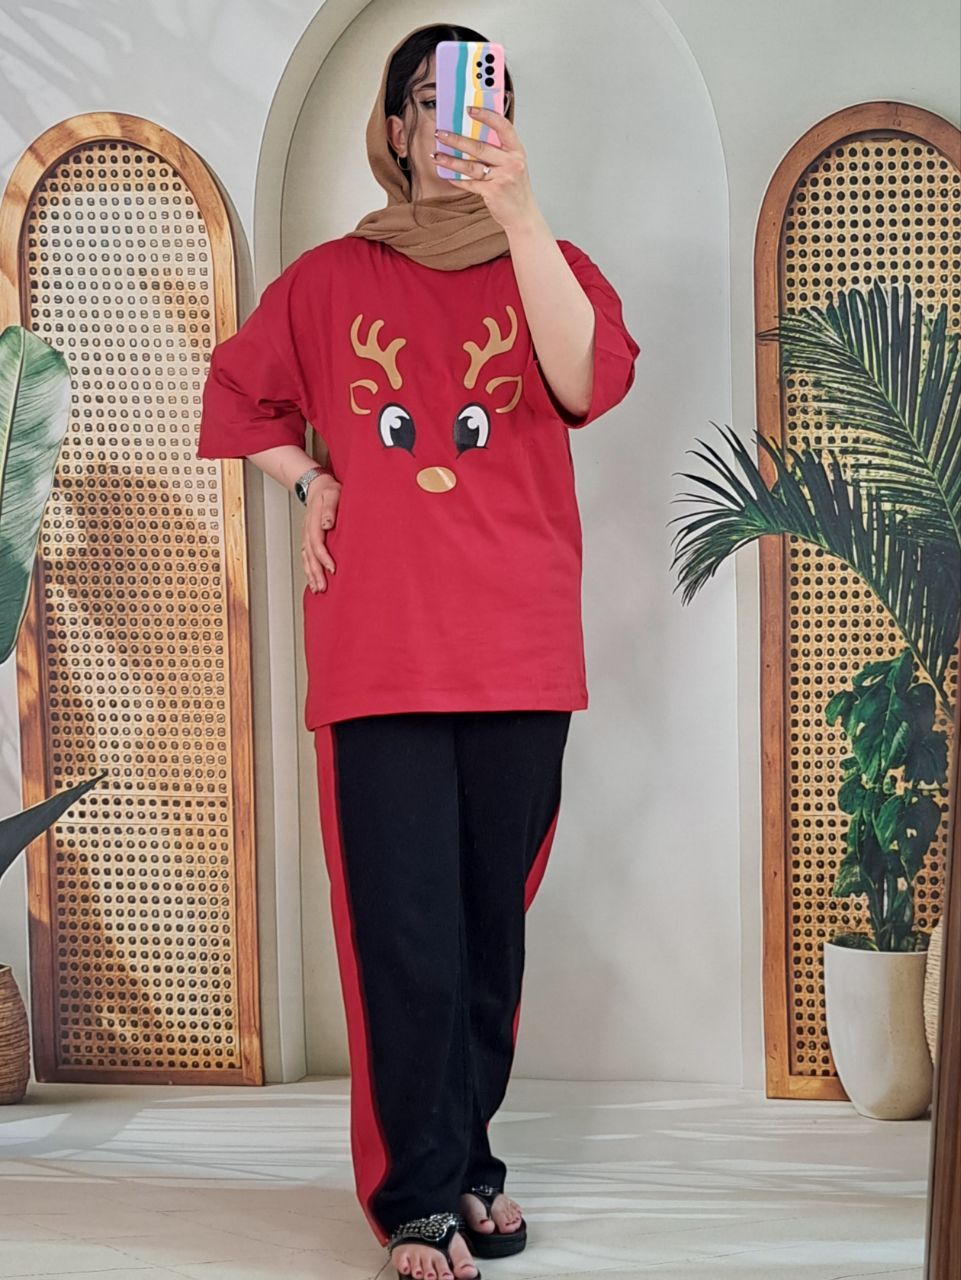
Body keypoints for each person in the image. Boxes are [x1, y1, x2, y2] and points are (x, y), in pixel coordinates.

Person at [196, 21, 640, 1280]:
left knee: (487, 930)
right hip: (379, 649)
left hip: (518, 645)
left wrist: (520, 211)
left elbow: (584, 380)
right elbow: (235, 395)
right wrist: (307, 481)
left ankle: (468, 1160)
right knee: (403, 932)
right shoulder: (329, 281)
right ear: (394, 127)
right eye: (433, 101)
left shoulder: (554, 265)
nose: (458, 122)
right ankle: (415, 1197)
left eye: (488, 99)